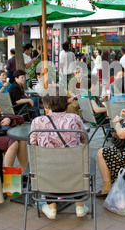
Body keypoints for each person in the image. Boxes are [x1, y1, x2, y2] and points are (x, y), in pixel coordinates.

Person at [29, 86, 89, 219]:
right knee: (77, 164)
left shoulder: (37, 122)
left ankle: (51, 207)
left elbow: (33, 145)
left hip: (48, 171)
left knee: (47, 164)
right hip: (72, 169)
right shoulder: (75, 119)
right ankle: (80, 206)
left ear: (45, 105)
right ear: (65, 102)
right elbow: (84, 140)